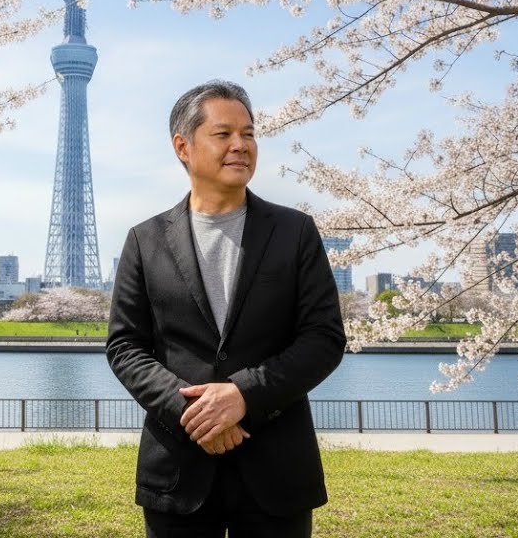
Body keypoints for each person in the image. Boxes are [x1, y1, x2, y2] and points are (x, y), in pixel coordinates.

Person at [106, 80, 345, 537]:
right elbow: (125, 346)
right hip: (178, 468)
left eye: (249, 134)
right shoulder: (145, 240)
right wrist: (194, 413)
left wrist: (243, 396)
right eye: (223, 134)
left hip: (277, 469)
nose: (241, 145)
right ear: (183, 147)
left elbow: (324, 338)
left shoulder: (295, 232)